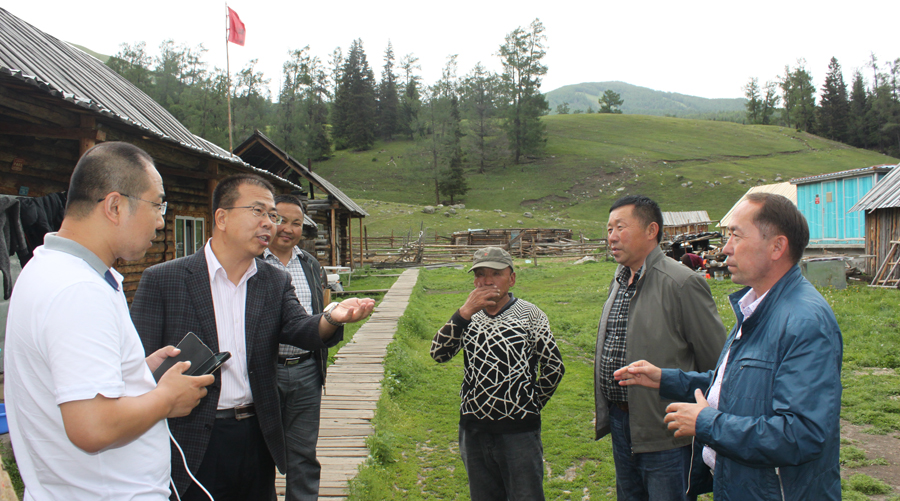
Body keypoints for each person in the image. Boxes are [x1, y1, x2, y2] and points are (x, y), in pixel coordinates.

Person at [131, 174, 375, 501]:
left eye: (272, 215)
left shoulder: (273, 281)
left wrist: (332, 316)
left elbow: (299, 328)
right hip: (190, 437)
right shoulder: (164, 280)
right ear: (222, 218)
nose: (269, 224)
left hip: (256, 434)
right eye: (258, 211)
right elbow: (137, 370)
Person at [4, 142, 213, 499]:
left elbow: (68, 381)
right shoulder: (78, 289)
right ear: (115, 206)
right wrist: (166, 399)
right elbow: (93, 427)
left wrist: (136, 373)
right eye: (157, 205)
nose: (161, 221)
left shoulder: (48, 267)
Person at [615, 193, 842, 500]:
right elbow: (736, 386)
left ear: (777, 247)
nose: (725, 248)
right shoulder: (757, 307)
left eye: (736, 235)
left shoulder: (804, 322)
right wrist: (665, 379)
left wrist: (706, 423)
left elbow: (801, 435)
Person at [595, 195, 725, 501]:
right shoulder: (619, 281)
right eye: (609, 229)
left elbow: (717, 364)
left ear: (651, 230)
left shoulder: (682, 283)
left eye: (620, 227)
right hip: (622, 422)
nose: (611, 237)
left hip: (667, 429)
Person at [431, 247, 565, 501]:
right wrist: (464, 313)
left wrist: (530, 405)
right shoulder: (468, 317)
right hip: (473, 431)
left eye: (496, 273)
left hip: (519, 433)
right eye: (480, 274)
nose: (487, 281)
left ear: (511, 279)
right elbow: (438, 353)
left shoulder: (530, 315)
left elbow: (554, 367)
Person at [262, 194, 328, 501]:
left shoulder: (310, 264)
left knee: (303, 453)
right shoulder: (254, 263)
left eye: (297, 223)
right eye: (281, 220)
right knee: (259, 451)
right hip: (264, 371)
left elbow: (320, 310)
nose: (288, 229)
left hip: (306, 370)